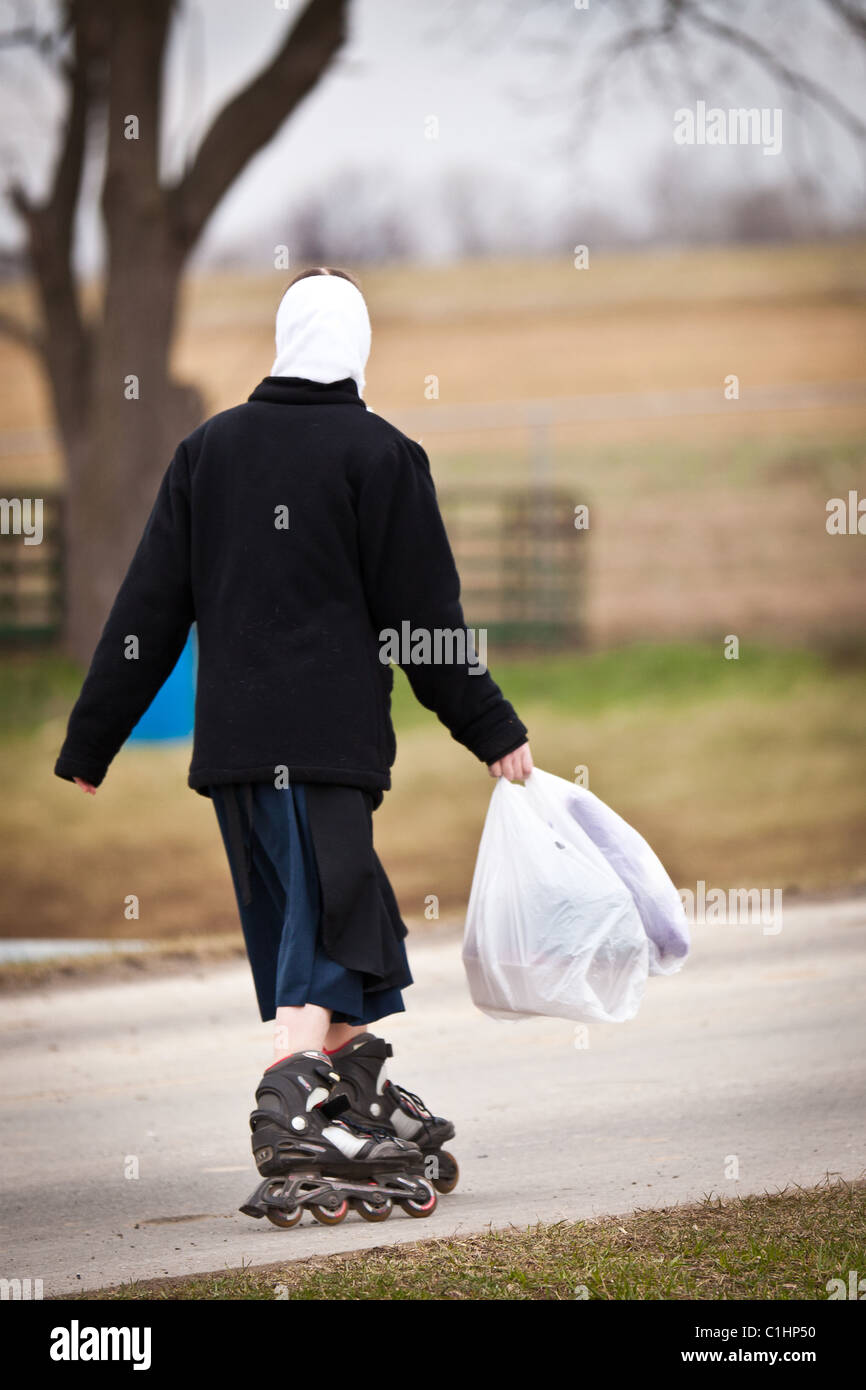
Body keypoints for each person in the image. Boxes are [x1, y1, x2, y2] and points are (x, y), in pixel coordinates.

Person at [54, 265, 533, 1225]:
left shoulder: (209, 451)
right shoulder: (382, 455)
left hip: (237, 758)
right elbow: (422, 623)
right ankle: (291, 1117)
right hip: (322, 754)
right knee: (320, 932)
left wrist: (93, 737)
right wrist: (492, 730)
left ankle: (351, 1100)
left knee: (341, 929)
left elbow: (150, 607)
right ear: (355, 348)